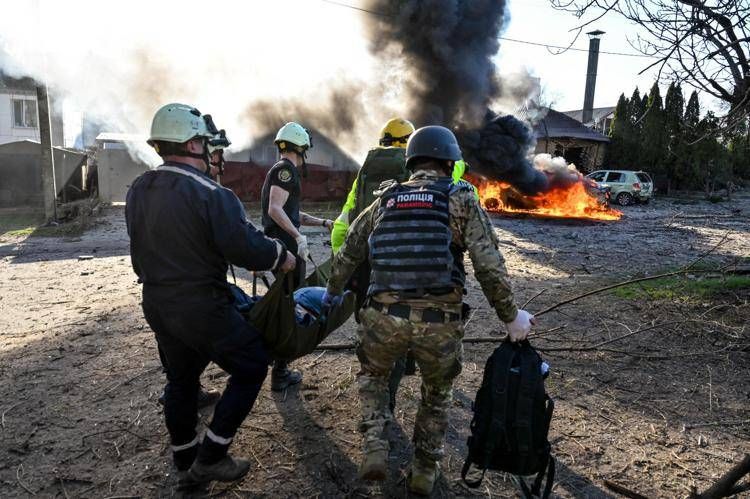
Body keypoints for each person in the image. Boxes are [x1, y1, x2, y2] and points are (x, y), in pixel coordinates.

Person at [324, 125, 535, 495]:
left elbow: (349, 252)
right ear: (450, 161)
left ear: (411, 162)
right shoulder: (461, 198)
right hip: (439, 322)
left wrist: (331, 291)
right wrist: (510, 316)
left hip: (381, 317)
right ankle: (424, 468)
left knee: (373, 377)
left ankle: (374, 445)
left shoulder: (385, 198)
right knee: (436, 393)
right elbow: (488, 264)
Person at [126, 103, 296, 485]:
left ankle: (184, 462)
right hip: (201, 304)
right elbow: (246, 248)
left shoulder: (139, 188)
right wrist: (280, 255)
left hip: (156, 301)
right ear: (190, 144)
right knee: (251, 365)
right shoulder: (211, 193)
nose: (210, 152)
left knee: (182, 380)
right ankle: (212, 456)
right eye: (204, 143)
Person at [260, 122, 333, 391]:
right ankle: (280, 373)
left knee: (288, 305)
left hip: (286, 247)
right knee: (287, 310)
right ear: (301, 147)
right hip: (286, 251)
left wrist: (323, 223)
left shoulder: (281, 172)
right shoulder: (285, 171)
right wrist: (298, 237)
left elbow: (292, 215)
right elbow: (275, 209)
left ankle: (281, 367)